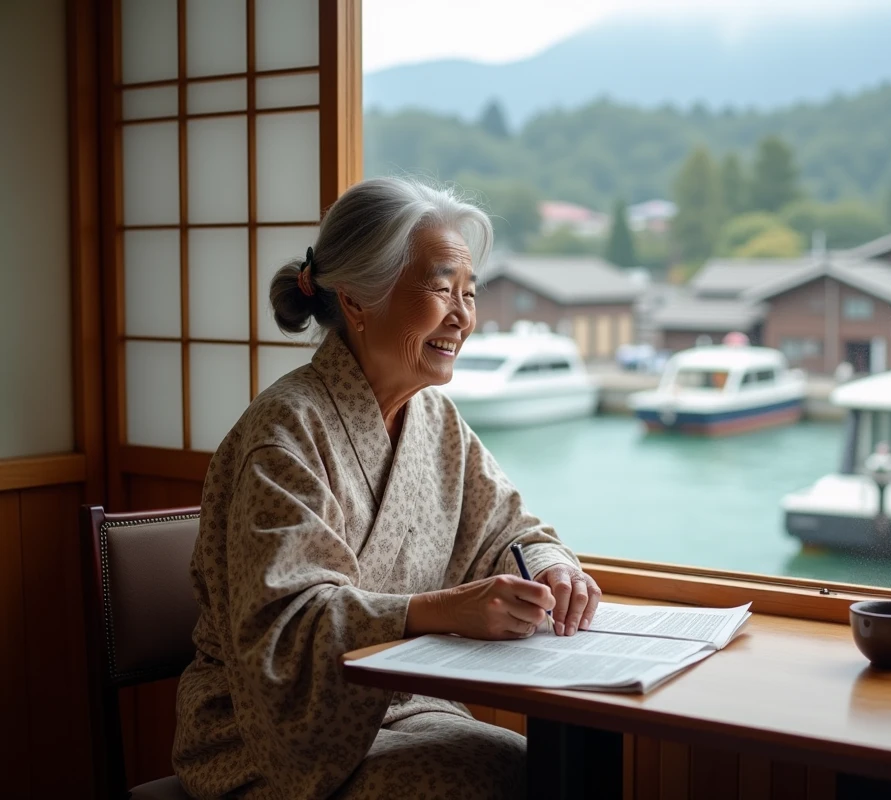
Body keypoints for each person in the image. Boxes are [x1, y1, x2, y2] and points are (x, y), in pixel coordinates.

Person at [173, 177, 602, 800]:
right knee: (493, 777)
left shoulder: (436, 422)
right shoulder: (285, 432)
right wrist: (438, 611)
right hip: (259, 738)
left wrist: (550, 568)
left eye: (470, 294)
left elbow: (509, 531)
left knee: (540, 769)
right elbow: (286, 624)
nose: (463, 317)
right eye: (440, 289)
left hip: (402, 707)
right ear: (357, 300)